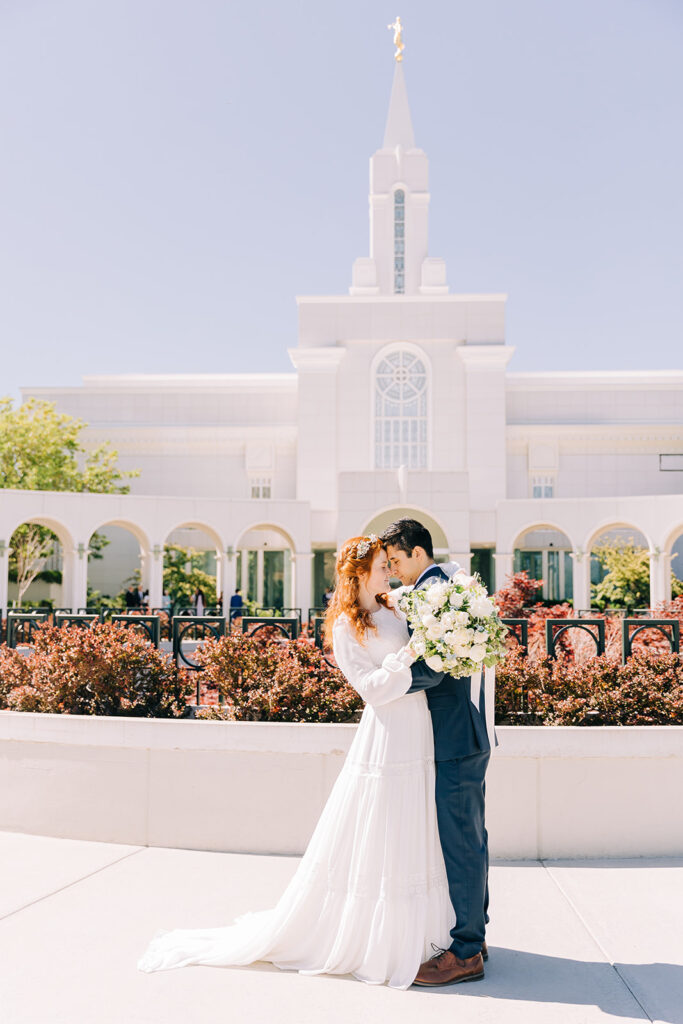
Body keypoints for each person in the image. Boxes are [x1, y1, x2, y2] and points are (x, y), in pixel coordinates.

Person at [137, 535, 453, 989]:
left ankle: (426, 935)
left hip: (418, 727)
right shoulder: (347, 626)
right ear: (360, 573)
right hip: (387, 735)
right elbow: (372, 691)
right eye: (383, 565)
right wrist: (407, 657)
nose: (390, 571)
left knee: (416, 824)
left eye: (389, 563)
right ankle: (378, 940)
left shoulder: (397, 607)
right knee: (386, 822)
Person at [380, 517, 491, 987]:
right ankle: (476, 936)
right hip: (462, 732)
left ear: (417, 553)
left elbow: (434, 668)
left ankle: (465, 951)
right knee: (472, 839)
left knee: (462, 842)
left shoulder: (438, 593)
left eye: (396, 561)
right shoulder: (443, 586)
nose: (393, 572)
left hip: (454, 736)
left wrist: (382, 681)